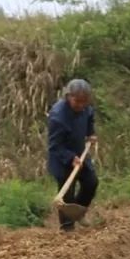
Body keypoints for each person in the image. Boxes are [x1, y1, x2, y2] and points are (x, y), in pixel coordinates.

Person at [47, 79, 98, 232]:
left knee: (91, 182)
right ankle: (67, 227)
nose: (81, 105)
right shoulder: (58, 117)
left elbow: (89, 118)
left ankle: (79, 212)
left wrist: (90, 134)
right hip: (62, 158)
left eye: (84, 101)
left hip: (80, 153)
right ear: (68, 97)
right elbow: (55, 145)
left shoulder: (86, 108)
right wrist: (70, 158)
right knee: (67, 195)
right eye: (77, 101)